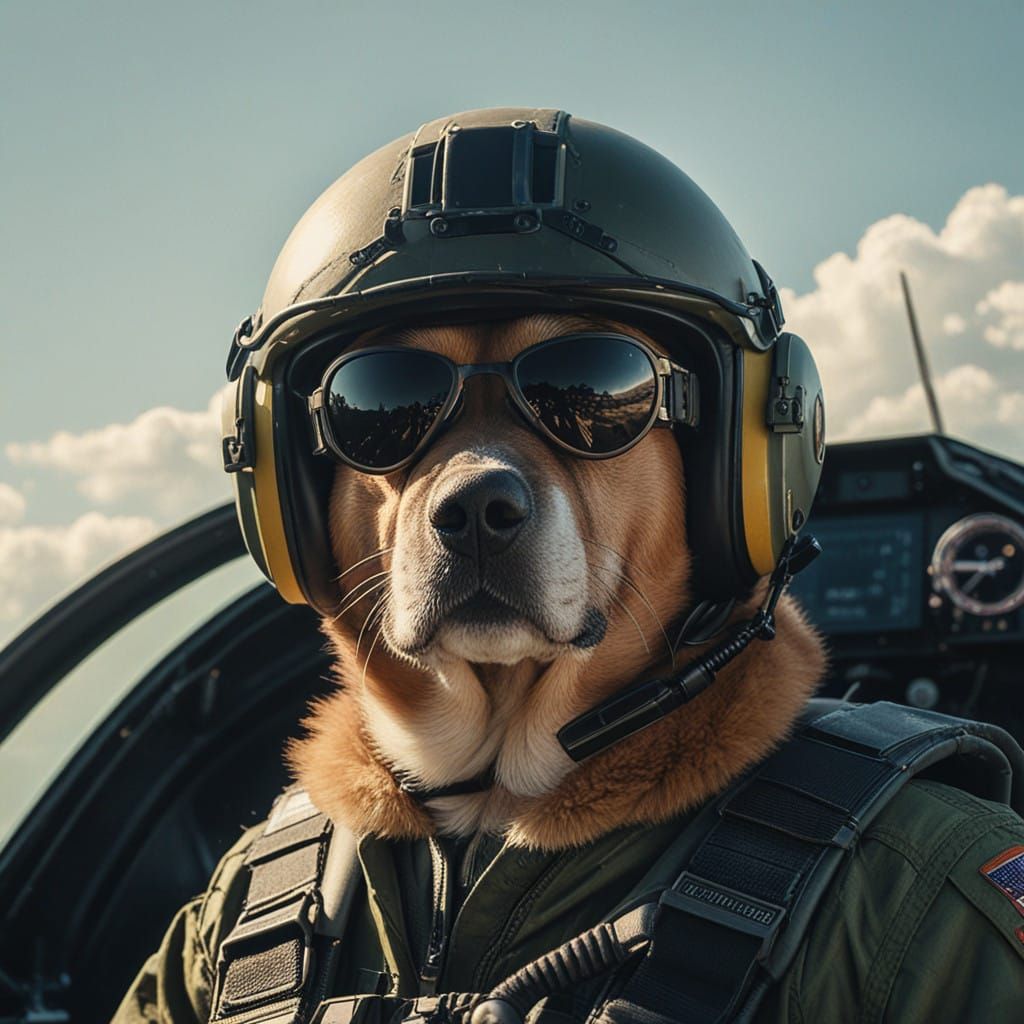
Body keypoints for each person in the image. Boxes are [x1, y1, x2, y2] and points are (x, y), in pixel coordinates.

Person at [114, 108, 1024, 1024]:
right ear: (293, 488)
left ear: (730, 472)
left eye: (590, 392)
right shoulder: (245, 923)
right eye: (384, 404)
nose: (478, 488)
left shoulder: (918, 911)